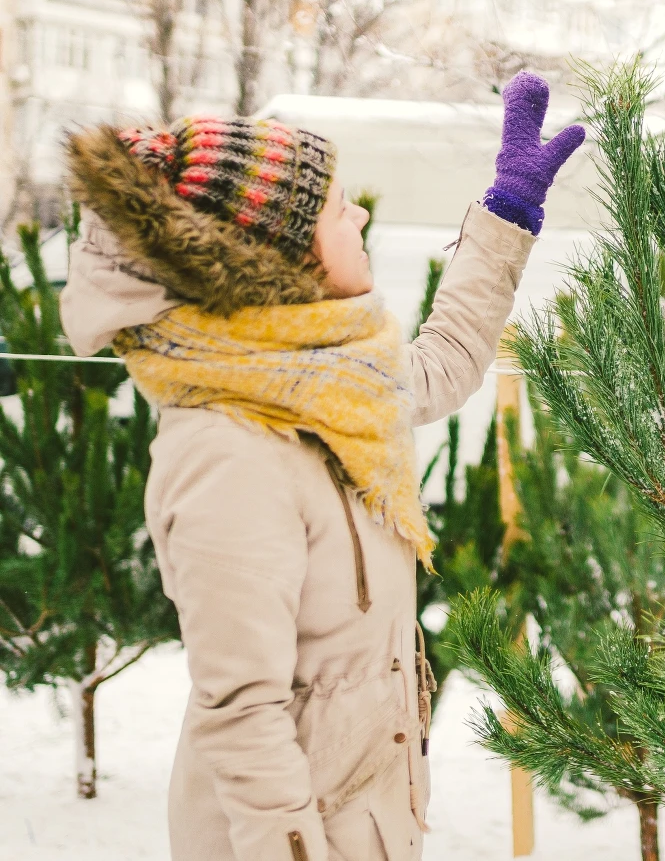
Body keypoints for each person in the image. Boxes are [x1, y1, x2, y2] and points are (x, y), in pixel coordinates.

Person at [57, 71, 585, 861]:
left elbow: (441, 364)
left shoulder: (323, 383)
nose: (360, 214)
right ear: (280, 256)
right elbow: (244, 720)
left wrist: (507, 212)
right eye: (339, 208)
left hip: (365, 823)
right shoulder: (228, 451)